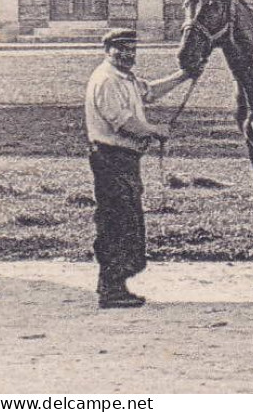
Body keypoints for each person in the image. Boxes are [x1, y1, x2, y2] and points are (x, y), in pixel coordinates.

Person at [84, 28, 198, 309]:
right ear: (107, 50)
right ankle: (111, 289)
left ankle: (115, 285)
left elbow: (150, 92)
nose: (127, 55)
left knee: (127, 222)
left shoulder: (126, 78)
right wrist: (154, 131)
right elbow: (122, 122)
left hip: (124, 160)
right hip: (110, 159)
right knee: (116, 223)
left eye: (132, 49)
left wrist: (185, 75)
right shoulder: (106, 80)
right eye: (121, 49)